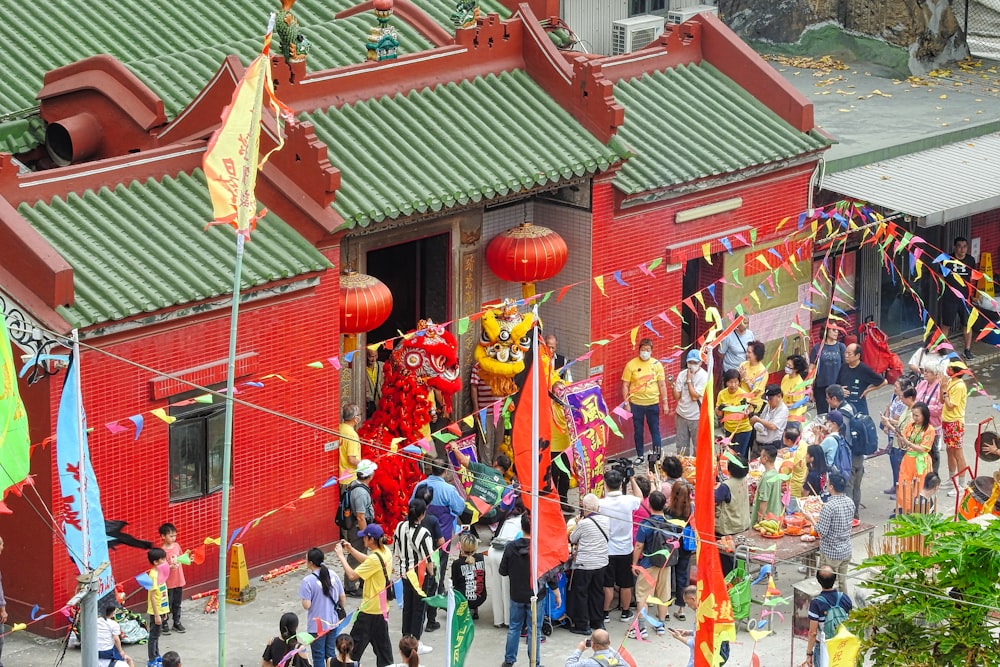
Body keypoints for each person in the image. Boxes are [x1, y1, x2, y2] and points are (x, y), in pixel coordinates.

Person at [499, 513, 561, 667]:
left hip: (516, 594)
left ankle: (509, 660)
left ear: (521, 527)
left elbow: (503, 571)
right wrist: (556, 592)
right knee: (535, 630)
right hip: (536, 596)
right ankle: (535, 663)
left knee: (514, 627)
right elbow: (550, 574)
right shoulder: (541, 548)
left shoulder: (510, 547)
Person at [411, 459, 466, 632]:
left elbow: (411, 505)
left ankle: (418, 611)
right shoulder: (448, 490)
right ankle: (431, 618)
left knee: (419, 573)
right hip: (440, 540)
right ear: (446, 472)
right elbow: (460, 508)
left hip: (418, 538)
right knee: (436, 576)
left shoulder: (420, 486)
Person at [336, 525, 395, 667]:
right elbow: (369, 560)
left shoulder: (375, 558)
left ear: (371, 539)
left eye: (365, 536)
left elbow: (351, 575)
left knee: (352, 651)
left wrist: (341, 556)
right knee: (384, 652)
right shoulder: (385, 551)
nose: (362, 538)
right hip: (381, 610)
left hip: (369, 611)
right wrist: (350, 549)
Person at [598, 468, 642, 623]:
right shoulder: (628, 500)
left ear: (606, 484)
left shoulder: (601, 504)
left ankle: (605, 613)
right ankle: (625, 611)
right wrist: (632, 479)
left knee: (608, 584)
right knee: (626, 583)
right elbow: (640, 497)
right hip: (625, 549)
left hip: (608, 549)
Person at [392, 500, 434, 654]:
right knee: (418, 609)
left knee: (407, 607)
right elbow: (429, 560)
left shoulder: (399, 526)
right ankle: (415, 641)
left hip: (404, 573)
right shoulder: (424, 533)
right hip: (419, 577)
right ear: (423, 514)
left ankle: (406, 638)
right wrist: (432, 575)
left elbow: (396, 550)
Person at [803, 472, 855, 594]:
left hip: (831, 553)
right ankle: (844, 606)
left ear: (831, 486)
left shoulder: (829, 507)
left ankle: (828, 607)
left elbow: (821, 531)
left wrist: (810, 517)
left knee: (828, 586)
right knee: (842, 582)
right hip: (846, 550)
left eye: (827, 483)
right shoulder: (849, 502)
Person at [567, 493, 610, 635]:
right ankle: (598, 622)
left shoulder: (583, 524)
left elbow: (572, 538)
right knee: (597, 592)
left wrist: (579, 523)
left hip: (585, 564)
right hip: (601, 562)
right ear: (597, 507)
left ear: (584, 507)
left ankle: (582, 624)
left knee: (581, 593)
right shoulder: (606, 520)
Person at [631, 490, 672, 639]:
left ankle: (641, 628)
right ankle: (660, 625)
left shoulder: (646, 524)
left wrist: (635, 563)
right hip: (666, 564)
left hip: (648, 563)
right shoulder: (671, 524)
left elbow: (638, 546)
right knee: (663, 595)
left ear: (649, 504)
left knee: (643, 595)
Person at [621, 338, 669, 460]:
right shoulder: (631, 365)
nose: (645, 352)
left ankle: (657, 456)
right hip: (636, 404)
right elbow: (625, 385)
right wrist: (626, 403)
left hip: (653, 403)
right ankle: (640, 455)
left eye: (648, 350)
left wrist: (665, 403)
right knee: (638, 431)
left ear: (652, 351)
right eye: (643, 350)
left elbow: (662, 384)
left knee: (655, 430)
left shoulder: (657, 365)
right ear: (639, 350)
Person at [300, 547, 348, 667]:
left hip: (316, 626)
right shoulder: (333, 574)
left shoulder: (307, 581)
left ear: (311, 563)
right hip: (332, 623)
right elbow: (342, 597)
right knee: (330, 654)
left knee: (318, 656)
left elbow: (307, 605)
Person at [448, 443, 513, 524]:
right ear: (506, 471)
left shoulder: (483, 468)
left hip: (467, 513)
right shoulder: (504, 485)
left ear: (495, 463)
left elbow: (463, 461)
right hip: (485, 518)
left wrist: (455, 448)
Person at [825, 386, 863, 523]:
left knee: (849, 486)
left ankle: (849, 518)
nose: (827, 401)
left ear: (834, 399)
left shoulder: (842, 414)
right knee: (857, 487)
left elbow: (844, 438)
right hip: (859, 453)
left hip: (850, 455)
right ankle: (855, 514)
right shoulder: (851, 407)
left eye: (828, 398)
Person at [804, 566, 853, 667]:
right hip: (842, 644)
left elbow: (812, 633)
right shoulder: (844, 598)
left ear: (818, 580)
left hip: (824, 646)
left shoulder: (816, 603)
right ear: (835, 579)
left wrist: (809, 654)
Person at [890, 402, 934, 514]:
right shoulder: (910, 425)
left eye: (917, 415)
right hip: (908, 460)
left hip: (921, 462)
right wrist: (900, 438)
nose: (914, 418)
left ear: (924, 415)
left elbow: (922, 449)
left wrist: (907, 443)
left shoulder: (929, 429)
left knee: (920, 487)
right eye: (913, 415)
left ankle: (920, 511)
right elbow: (903, 445)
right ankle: (906, 509)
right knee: (904, 485)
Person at [343, 459, 377, 597]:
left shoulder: (354, 485)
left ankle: (362, 581)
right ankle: (349, 587)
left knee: (361, 555)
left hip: (358, 527)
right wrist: (365, 534)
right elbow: (360, 516)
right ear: (369, 475)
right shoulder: (361, 493)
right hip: (359, 528)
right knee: (355, 556)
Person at [939, 236, 978, 360]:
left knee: (967, 324)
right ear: (955, 247)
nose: (962, 249)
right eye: (960, 246)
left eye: (965, 246)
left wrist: (971, 295)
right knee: (946, 324)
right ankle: (942, 348)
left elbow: (972, 278)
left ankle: (967, 349)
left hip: (965, 298)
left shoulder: (971, 260)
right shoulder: (947, 259)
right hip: (950, 298)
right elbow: (940, 276)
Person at [485, 509, 523, 628]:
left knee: (496, 586)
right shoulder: (524, 521)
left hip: (494, 551)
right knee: (507, 588)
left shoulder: (508, 520)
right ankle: (508, 620)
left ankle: (498, 620)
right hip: (506, 552)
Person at [715, 453, 751, 575]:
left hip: (728, 528)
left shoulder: (726, 486)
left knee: (727, 562)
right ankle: (741, 579)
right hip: (743, 524)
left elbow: (714, 499)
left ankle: (730, 586)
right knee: (741, 558)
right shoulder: (744, 480)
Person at [667, 481, 694, 623]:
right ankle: (681, 608)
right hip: (686, 546)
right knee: (682, 575)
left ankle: (664, 607)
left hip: (670, 546)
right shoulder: (691, 509)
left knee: (667, 575)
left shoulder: (668, 511)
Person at [942, 361, 970, 497]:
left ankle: (961, 484)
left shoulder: (959, 386)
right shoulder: (950, 382)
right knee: (949, 450)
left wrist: (945, 394)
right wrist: (943, 387)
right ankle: (951, 478)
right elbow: (942, 401)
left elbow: (951, 405)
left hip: (955, 423)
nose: (947, 370)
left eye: (950, 368)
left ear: (956, 371)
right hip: (947, 421)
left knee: (958, 453)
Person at [880, 380, 913, 496]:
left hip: (898, 437)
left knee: (898, 464)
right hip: (892, 435)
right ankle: (895, 485)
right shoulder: (895, 398)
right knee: (893, 462)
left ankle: (900, 489)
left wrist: (887, 421)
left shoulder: (903, 404)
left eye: (896, 386)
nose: (894, 388)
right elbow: (890, 412)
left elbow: (897, 419)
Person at [673, 350, 708, 456]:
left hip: (696, 417)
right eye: (690, 362)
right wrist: (673, 385)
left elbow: (694, 396)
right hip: (681, 415)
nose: (692, 365)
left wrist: (689, 380)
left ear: (700, 363)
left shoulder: (704, 376)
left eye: (695, 363)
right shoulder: (682, 374)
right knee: (681, 447)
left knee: (698, 447)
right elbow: (676, 396)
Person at [835, 343, 887, 416]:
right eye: (845, 353)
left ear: (858, 356)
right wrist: (840, 389)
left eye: (849, 354)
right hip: (844, 405)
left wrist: (867, 391)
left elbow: (884, 382)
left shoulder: (864, 369)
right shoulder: (843, 367)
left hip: (858, 406)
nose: (846, 356)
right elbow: (837, 383)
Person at [915, 361, 944, 476]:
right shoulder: (922, 384)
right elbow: (914, 399)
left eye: (928, 371)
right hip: (919, 425)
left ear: (936, 374)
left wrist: (924, 408)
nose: (925, 373)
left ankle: (933, 476)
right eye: (924, 370)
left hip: (933, 426)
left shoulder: (940, 388)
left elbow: (939, 409)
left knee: (933, 451)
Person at [716, 369, 753, 458]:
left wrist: (746, 412)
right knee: (729, 455)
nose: (733, 385)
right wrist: (719, 408)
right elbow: (719, 414)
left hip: (743, 429)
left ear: (739, 382)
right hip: (728, 429)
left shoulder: (743, 394)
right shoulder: (722, 394)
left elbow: (747, 413)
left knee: (738, 456)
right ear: (726, 382)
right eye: (730, 382)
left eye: (736, 382)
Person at [451, 532, 487, 621]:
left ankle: (464, 609)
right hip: (481, 597)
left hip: (463, 599)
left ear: (461, 547)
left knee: (451, 590)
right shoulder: (481, 558)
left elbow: (454, 583)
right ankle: (474, 608)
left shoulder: (457, 563)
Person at [810, 326, 846, 415]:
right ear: (826, 331)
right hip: (821, 387)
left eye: (837, 330)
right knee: (822, 415)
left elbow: (845, 367)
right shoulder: (817, 348)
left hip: (837, 387)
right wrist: (809, 388)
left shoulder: (841, 347)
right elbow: (811, 369)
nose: (836, 332)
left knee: (837, 415)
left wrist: (844, 385)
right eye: (833, 330)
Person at [158, 522, 186, 634]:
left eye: (175, 535)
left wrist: (188, 558)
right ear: (163, 536)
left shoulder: (177, 546)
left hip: (179, 580)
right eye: (171, 536)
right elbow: (161, 568)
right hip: (167, 582)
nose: (174, 538)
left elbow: (182, 557)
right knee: (166, 603)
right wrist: (170, 566)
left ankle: (177, 622)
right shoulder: (162, 551)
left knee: (177, 603)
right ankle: (164, 623)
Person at [666, 586, 701, 667]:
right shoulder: (703, 612)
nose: (687, 606)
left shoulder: (701, 616)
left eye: (687, 603)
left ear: (693, 599)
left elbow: (696, 644)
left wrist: (679, 637)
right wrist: (688, 632)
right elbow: (700, 633)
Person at [749, 385, 788, 455]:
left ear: (779, 397)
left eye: (770, 399)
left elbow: (773, 426)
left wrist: (757, 420)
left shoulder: (783, 410)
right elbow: (762, 419)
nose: (768, 401)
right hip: (758, 444)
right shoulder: (767, 405)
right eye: (767, 399)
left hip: (771, 446)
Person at [146, 548, 169, 666]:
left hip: (161, 609)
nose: (165, 561)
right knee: (153, 636)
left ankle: (156, 654)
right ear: (156, 562)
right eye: (163, 559)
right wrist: (156, 615)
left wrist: (164, 611)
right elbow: (153, 597)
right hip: (156, 611)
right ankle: (152, 659)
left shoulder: (160, 573)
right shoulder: (153, 575)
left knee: (157, 635)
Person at [752, 445, 784, 523]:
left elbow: (764, 500)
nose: (759, 458)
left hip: (767, 518)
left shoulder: (767, 478)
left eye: (761, 456)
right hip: (776, 514)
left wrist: (759, 518)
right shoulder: (776, 473)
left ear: (765, 459)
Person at [98, 602, 135, 667]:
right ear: (113, 612)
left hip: (96, 650)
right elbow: (116, 639)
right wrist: (121, 651)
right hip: (108, 651)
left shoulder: (96, 621)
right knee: (127, 659)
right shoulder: (114, 624)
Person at [738, 340, 768, 413]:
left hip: (752, 406)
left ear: (756, 355)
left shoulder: (762, 372)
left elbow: (754, 392)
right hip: (740, 401)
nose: (746, 354)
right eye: (746, 351)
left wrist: (746, 378)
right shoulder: (743, 364)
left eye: (749, 352)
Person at [339, 403, 363, 486]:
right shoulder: (352, 435)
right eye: (360, 414)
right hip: (349, 478)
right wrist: (365, 465)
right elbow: (351, 459)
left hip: (340, 475)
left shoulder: (340, 428)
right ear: (355, 418)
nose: (360, 416)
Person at [781, 354, 809, 422]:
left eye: (789, 366)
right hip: (783, 414)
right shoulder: (786, 377)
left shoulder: (798, 384)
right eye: (787, 365)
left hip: (793, 418)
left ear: (796, 369)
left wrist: (781, 405)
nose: (787, 367)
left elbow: (796, 404)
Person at [781, 426, 807, 498]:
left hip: (792, 487)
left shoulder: (789, 456)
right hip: (802, 483)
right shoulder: (803, 445)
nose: (782, 438)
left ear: (789, 441)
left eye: (783, 436)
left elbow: (783, 476)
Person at [365, 347, 385, 418]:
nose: (374, 359)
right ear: (365, 355)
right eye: (371, 356)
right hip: (369, 407)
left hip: (383, 405)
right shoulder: (361, 369)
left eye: (375, 356)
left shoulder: (383, 366)